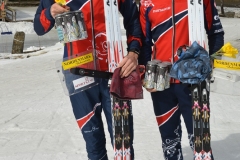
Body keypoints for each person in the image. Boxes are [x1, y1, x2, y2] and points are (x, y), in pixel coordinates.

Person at [34, 0, 142, 159]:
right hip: (79, 75)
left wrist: (134, 52)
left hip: (114, 74)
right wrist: (50, 12)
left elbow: (134, 20)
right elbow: (38, 27)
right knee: (94, 145)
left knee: (123, 145)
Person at [138, 0, 224, 160]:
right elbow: (144, 43)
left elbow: (216, 33)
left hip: (194, 83)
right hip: (161, 84)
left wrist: (212, 62)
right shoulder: (146, 3)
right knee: (169, 144)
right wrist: (145, 76)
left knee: (201, 146)